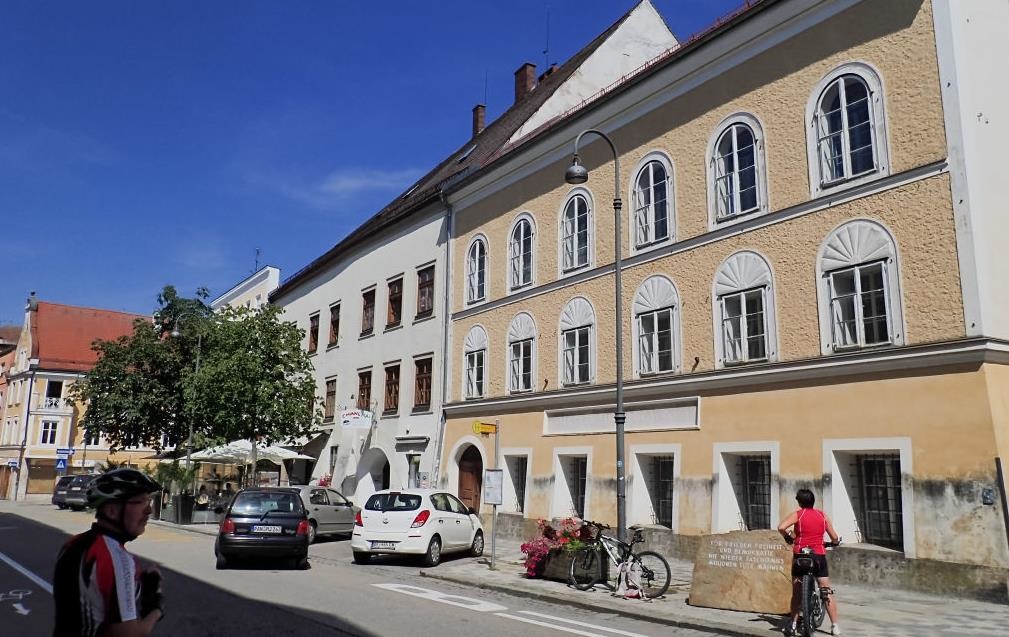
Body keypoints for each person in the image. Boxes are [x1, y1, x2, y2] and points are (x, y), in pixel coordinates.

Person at [53, 469, 165, 637]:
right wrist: (156, 606)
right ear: (112, 511)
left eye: (148, 500)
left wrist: (136, 584)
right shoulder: (117, 559)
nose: (149, 510)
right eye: (140, 501)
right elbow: (130, 634)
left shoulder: (72, 543)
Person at [777, 488, 841, 636]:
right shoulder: (822, 515)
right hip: (818, 555)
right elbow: (834, 537)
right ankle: (835, 626)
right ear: (813, 501)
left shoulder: (798, 514)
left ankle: (793, 624)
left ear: (800, 502)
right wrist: (834, 542)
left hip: (800, 555)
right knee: (825, 589)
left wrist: (788, 537)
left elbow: (781, 527)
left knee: (797, 591)